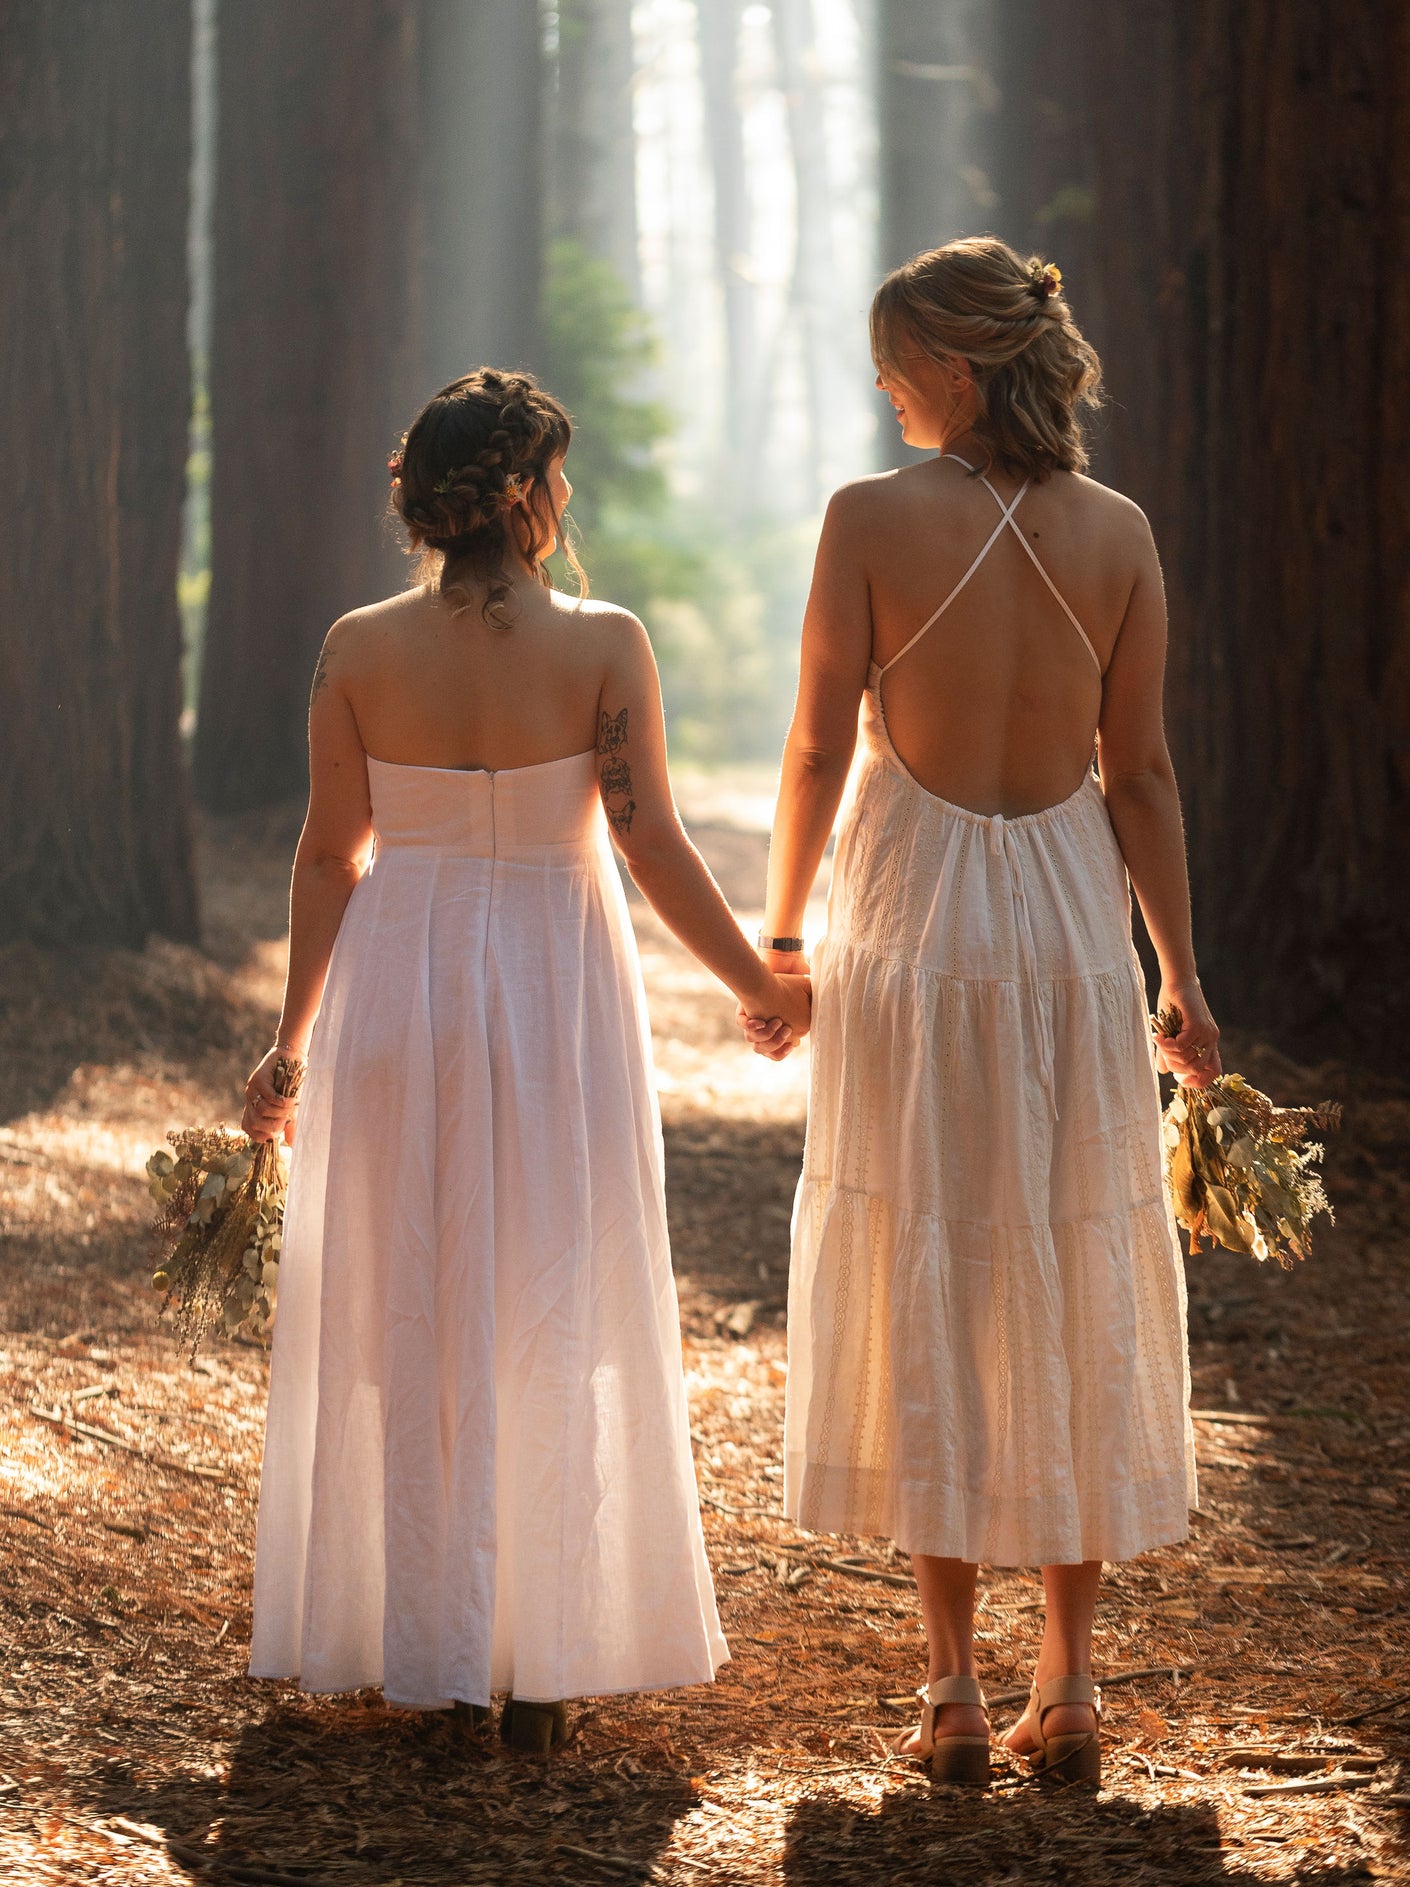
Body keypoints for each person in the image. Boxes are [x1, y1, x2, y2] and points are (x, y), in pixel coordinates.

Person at [241, 367, 810, 1753]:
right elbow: (647, 839)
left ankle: (434, 1652)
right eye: (555, 476)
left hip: (405, 976)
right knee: (554, 1290)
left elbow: (329, 856)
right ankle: (541, 1661)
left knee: (418, 1294)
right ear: (517, 493)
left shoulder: (356, 649)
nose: (566, 499)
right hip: (555, 977)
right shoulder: (605, 643)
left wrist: (290, 1042)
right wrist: (760, 985)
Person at [744, 237, 1218, 1787]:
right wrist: (1183, 981)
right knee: (1074, 1240)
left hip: (913, 909)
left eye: (891, 361)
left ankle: (949, 1686)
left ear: (954, 367)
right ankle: (1068, 1682)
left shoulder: (867, 522)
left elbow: (817, 746)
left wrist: (783, 929)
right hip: (1070, 909)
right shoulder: (1121, 533)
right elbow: (1137, 773)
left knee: (924, 1250)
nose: (879, 389)